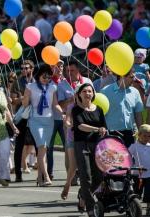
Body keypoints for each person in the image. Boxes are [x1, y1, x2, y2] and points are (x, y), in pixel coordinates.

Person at [22, 64, 65, 187]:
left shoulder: (52, 87)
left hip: (49, 121)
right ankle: (46, 176)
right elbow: (25, 104)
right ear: (39, 75)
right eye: (44, 76)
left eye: (49, 77)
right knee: (42, 148)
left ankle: (39, 179)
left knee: (43, 150)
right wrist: (25, 97)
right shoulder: (31, 86)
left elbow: (55, 104)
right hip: (35, 120)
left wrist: (62, 113)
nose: (46, 79)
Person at [72, 83, 106, 217]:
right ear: (79, 94)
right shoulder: (76, 110)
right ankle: (90, 209)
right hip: (82, 145)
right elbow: (80, 126)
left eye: (90, 91)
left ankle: (83, 195)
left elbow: (104, 127)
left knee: (99, 178)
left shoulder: (99, 109)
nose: (88, 94)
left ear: (93, 93)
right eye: (84, 91)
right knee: (86, 178)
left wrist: (103, 130)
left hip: (97, 145)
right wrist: (97, 129)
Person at [58, 60, 93, 189]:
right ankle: (71, 178)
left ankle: (87, 174)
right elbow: (60, 105)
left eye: (72, 70)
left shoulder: (87, 82)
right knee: (70, 150)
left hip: (87, 119)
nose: (69, 73)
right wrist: (71, 100)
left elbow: (94, 98)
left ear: (78, 70)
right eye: (67, 70)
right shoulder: (62, 85)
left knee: (87, 148)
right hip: (71, 120)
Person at [100, 68, 144, 148]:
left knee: (130, 159)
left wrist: (142, 132)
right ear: (122, 76)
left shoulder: (135, 92)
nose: (134, 79)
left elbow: (138, 115)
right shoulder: (105, 91)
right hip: (111, 134)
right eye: (131, 77)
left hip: (130, 134)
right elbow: (100, 113)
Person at [11, 60, 35, 182]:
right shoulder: (17, 82)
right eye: (22, 68)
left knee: (37, 144)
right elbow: (13, 100)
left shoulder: (36, 82)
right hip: (21, 117)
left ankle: (42, 174)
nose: (24, 70)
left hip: (35, 116)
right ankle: (18, 174)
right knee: (19, 145)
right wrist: (25, 97)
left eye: (26, 68)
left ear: (32, 69)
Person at [47, 59, 66, 180]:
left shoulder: (65, 82)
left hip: (63, 119)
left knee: (68, 146)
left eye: (61, 67)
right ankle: (49, 171)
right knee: (50, 146)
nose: (59, 69)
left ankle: (72, 171)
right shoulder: (48, 83)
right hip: (51, 119)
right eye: (57, 67)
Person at [129, 124, 150, 216]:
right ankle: (134, 208)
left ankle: (149, 208)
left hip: (149, 174)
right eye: (144, 135)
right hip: (138, 174)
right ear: (139, 135)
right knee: (137, 192)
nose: (146, 138)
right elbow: (127, 157)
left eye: (149, 136)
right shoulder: (134, 146)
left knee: (149, 193)